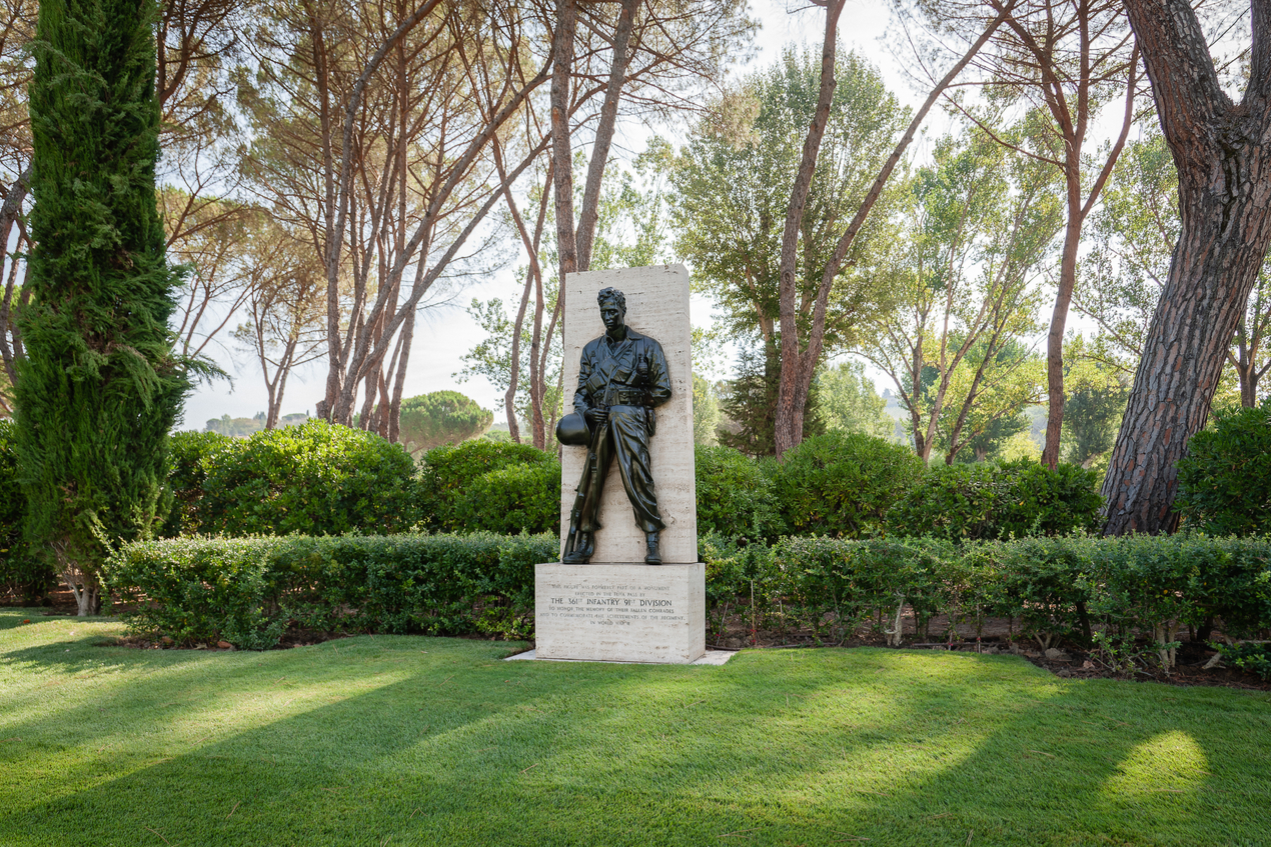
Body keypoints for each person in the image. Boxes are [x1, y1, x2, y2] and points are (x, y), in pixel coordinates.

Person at [560, 287, 671, 565]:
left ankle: (652, 538)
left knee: (637, 474)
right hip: (598, 420)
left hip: (629, 417)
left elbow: (663, 389)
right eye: (604, 312)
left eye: (612, 311)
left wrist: (632, 402)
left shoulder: (647, 346)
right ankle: (584, 539)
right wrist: (586, 411)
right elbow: (581, 392)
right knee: (592, 480)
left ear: (623, 311)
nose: (608, 317)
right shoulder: (591, 350)